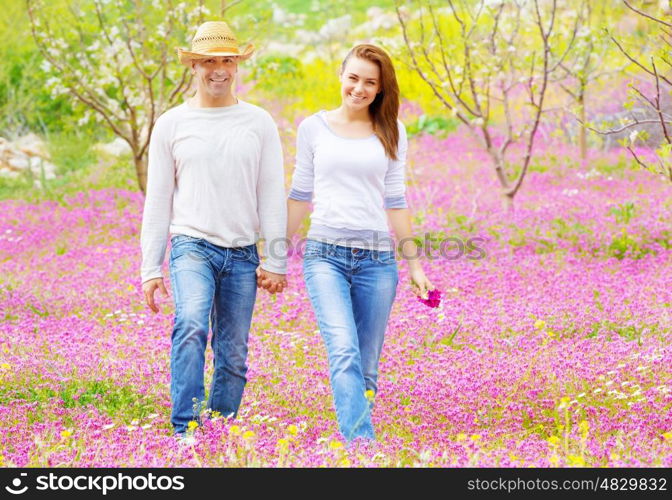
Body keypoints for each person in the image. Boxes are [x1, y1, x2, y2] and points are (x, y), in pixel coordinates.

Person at [140, 21, 287, 441]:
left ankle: (218, 432)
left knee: (233, 354)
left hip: (243, 253)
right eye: (209, 61)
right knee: (189, 323)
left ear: (237, 64)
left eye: (226, 60)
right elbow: (158, 199)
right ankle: (185, 429)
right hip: (192, 245)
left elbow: (271, 192)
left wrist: (276, 259)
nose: (218, 69)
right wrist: (151, 267)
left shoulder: (258, 122)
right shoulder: (171, 123)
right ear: (194, 66)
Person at [286, 44, 434, 442]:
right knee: (344, 351)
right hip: (324, 257)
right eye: (353, 77)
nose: (359, 88)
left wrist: (414, 266)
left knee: (367, 363)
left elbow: (396, 199)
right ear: (340, 75)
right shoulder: (313, 128)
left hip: (377, 261)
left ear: (381, 88)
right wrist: (274, 254)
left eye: (370, 82)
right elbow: (300, 193)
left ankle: (356, 438)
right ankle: (361, 448)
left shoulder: (392, 130)